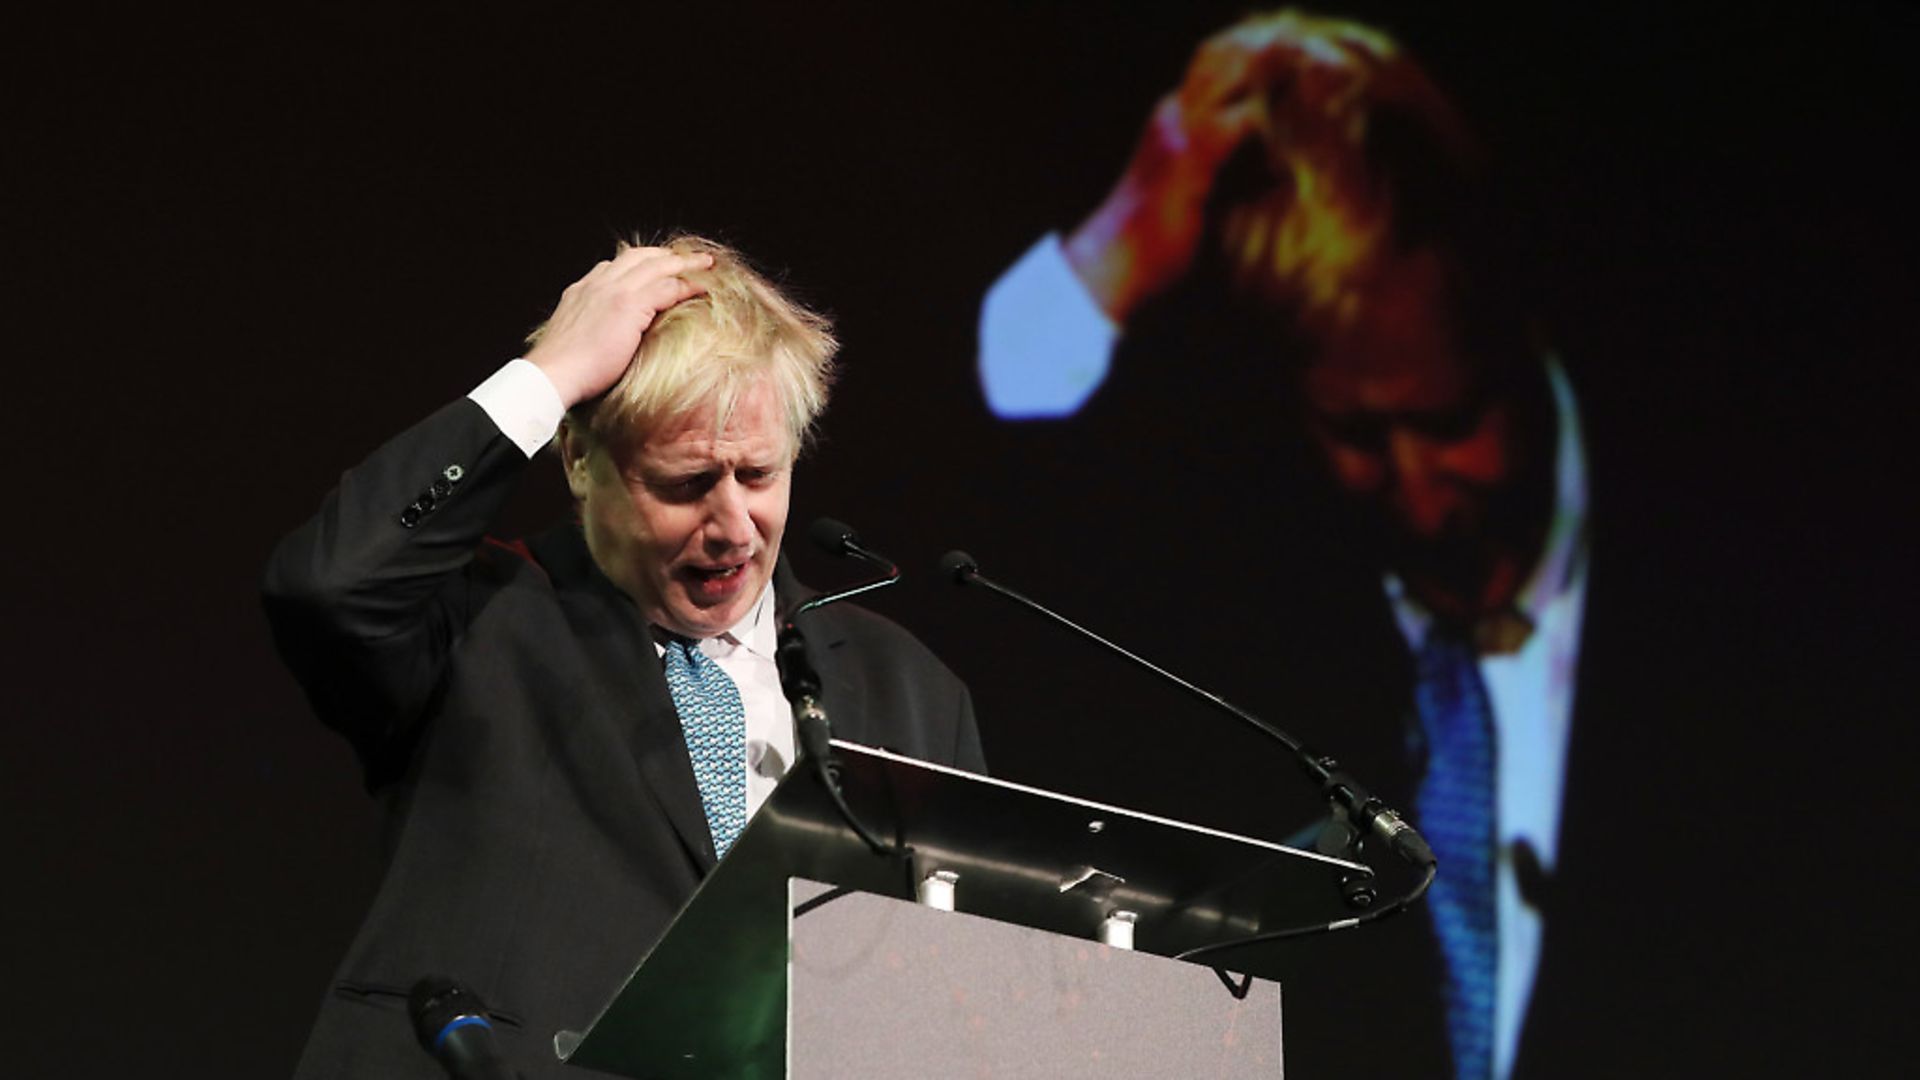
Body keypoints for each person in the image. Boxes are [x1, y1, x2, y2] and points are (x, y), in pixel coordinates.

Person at [976, 11, 1584, 1080]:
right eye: (1356, 433)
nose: (1415, 487)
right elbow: (995, 422)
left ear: (1517, 336)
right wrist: (1124, 234)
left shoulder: (1740, 573)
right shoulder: (1270, 592)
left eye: (1449, 421)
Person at [264, 235, 985, 1079]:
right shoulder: (479, 624)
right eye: (683, 485)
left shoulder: (913, 694)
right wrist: (550, 376)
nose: (731, 527)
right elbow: (329, 586)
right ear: (577, 458)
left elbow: (957, 992)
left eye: (758, 474)